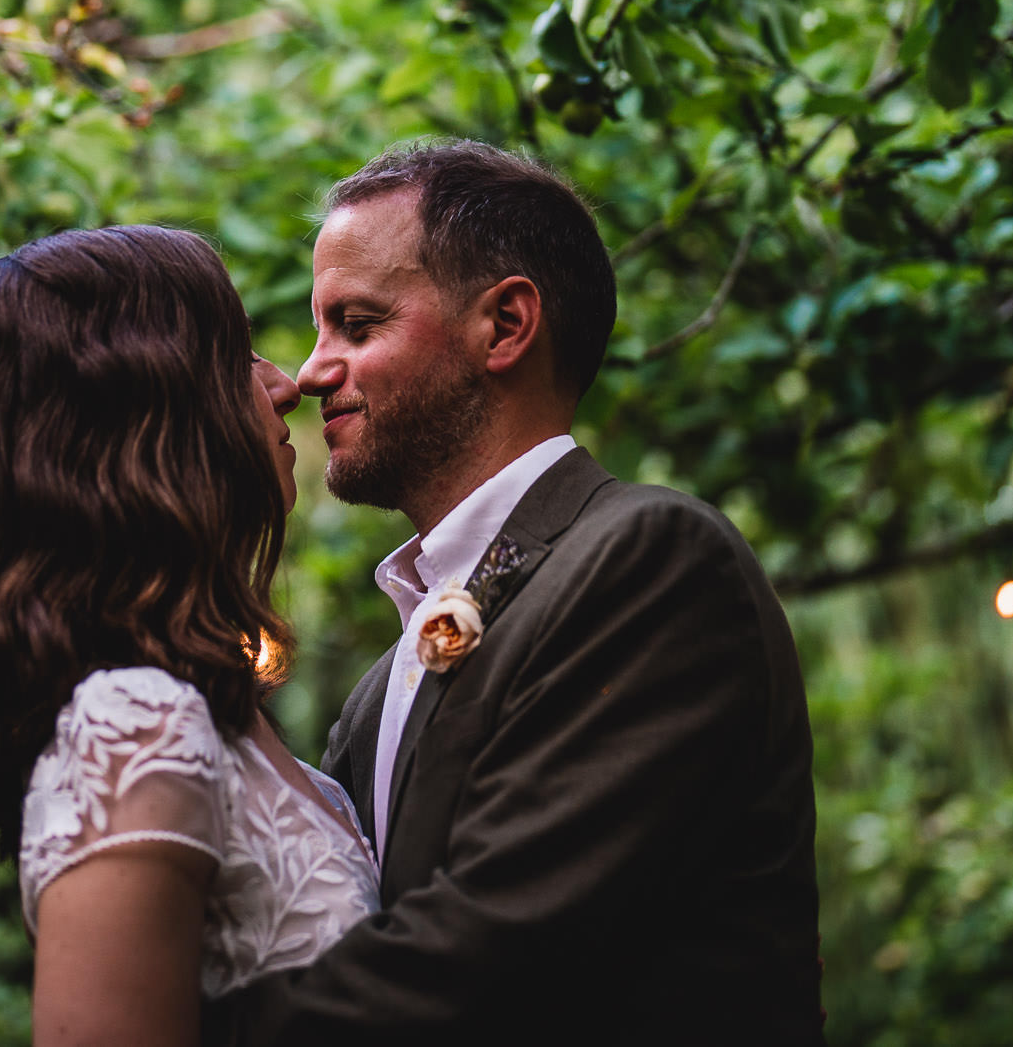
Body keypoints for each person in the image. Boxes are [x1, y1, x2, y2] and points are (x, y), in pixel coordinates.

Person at [215, 140, 825, 1045]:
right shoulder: (380, 689)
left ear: (504, 326)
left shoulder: (653, 563)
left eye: (356, 323)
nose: (310, 371)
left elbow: (490, 958)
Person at [0, 225, 380, 1047]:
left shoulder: (206, 709)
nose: (282, 385)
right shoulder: (135, 722)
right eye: (234, 355)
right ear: (142, 415)